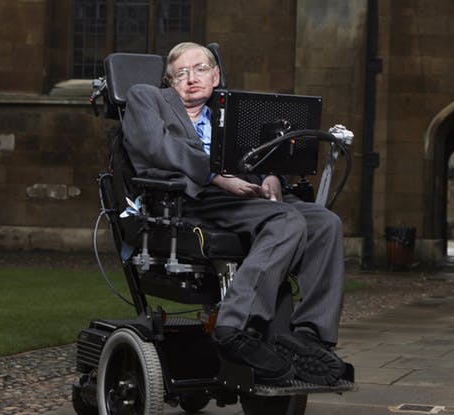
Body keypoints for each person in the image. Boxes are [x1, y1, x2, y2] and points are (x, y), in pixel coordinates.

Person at [122, 42, 346, 385]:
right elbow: (158, 148)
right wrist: (216, 175)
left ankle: (312, 337)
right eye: (180, 72)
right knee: (287, 221)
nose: (191, 78)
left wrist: (271, 174)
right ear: (168, 82)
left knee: (326, 223)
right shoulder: (146, 98)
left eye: (200, 69)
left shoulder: (232, 111)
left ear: (216, 76)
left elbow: (258, 157)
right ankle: (235, 325)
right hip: (194, 197)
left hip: (248, 195)